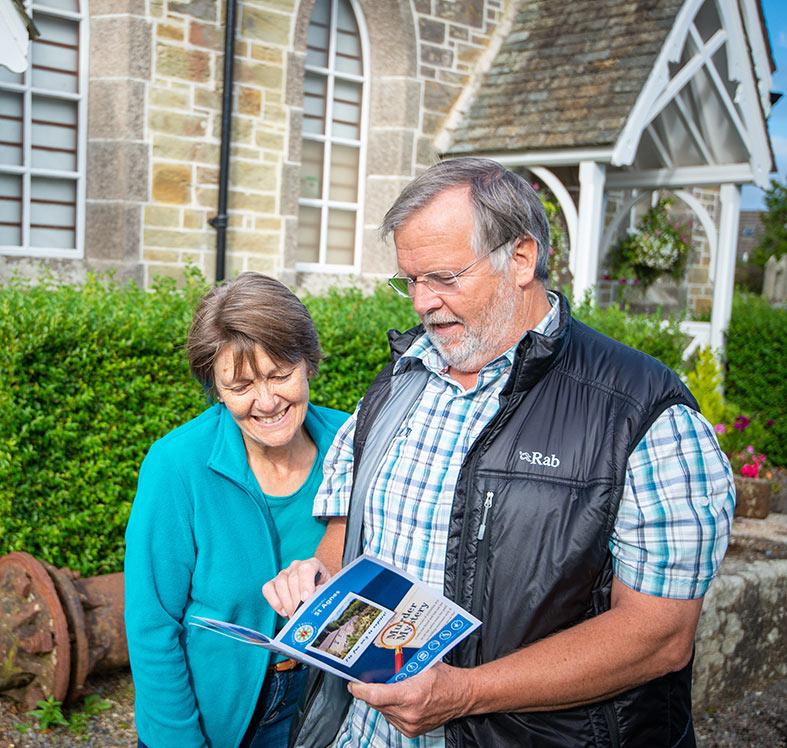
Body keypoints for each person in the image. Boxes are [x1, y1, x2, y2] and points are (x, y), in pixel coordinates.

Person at [263, 158, 735, 747]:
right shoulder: (397, 382)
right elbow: (348, 532)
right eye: (409, 280)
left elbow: (659, 635)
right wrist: (321, 578)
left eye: (443, 277)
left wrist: (463, 692)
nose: (421, 303)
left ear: (520, 259)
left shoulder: (640, 410)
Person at [124, 272, 348, 748]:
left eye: (280, 374)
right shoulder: (176, 466)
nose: (266, 402)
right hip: (213, 713)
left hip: (325, 705)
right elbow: (152, 624)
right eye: (240, 385)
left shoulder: (351, 444)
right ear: (216, 388)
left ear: (308, 362)